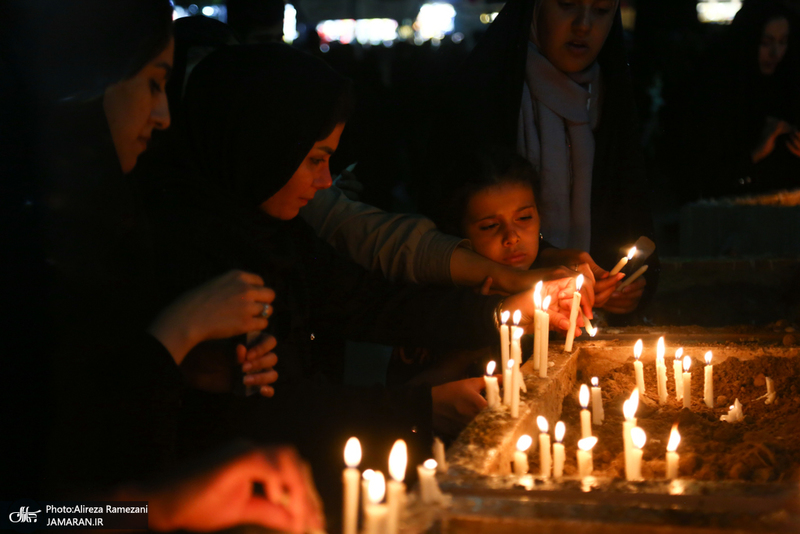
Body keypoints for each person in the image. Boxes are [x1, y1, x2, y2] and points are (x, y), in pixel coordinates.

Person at [144, 43, 583, 524]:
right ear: (263, 145)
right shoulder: (180, 256)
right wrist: (421, 406)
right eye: (315, 159)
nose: (327, 180)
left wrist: (508, 311)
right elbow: (278, 408)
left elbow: (371, 302)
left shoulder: (280, 234)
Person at [2, 1, 322, 530]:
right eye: (153, 84)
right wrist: (178, 330)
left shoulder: (101, 222)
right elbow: (32, 512)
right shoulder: (28, 243)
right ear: (85, 81)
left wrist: (189, 372)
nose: (164, 115)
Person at [419, 0, 658, 321]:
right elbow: (445, 229)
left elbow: (628, 210)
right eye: (567, 4)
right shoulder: (481, 95)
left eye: (601, 11)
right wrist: (546, 258)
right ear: (534, 8)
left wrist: (621, 286)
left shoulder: (612, 98)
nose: (584, 25)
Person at [693, 0, 800, 197]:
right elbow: (705, 176)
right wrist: (756, 153)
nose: (776, 53)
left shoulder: (787, 89)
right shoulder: (721, 93)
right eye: (766, 43)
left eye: (783, 42)